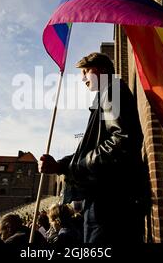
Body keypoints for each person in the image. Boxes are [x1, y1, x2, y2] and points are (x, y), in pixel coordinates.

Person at [39, 52, 148, 244]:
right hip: (107, 197)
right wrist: (61, 165)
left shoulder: (112, 91)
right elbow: (95, 147)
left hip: (111, 200)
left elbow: (123, 140)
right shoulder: (106, 95)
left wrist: (78, 166)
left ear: (100, 70)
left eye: (85, 72)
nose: (82, 79)